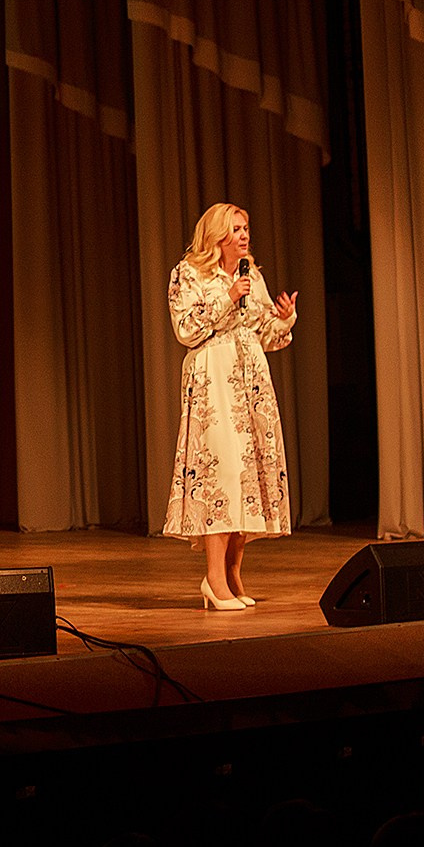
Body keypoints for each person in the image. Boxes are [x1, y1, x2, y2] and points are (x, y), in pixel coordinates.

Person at [162, 203, 298, 610]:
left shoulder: (250, 274)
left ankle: (233, 573)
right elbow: (186, 329)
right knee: (219, 474)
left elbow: (263, 332)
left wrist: (284, 320)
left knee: (248, 476)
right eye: (236, 229)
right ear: (217, 234)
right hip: (213, 379)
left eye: (246, 228)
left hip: (251, 382)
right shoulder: (188, 273)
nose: (244, 235)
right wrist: (226, 297)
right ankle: (214, 579)